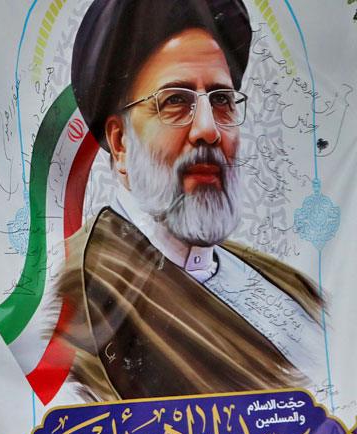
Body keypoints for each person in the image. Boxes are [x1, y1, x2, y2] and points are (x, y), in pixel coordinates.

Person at [54, 0, 324, 402]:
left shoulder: (292, 294)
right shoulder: (78, 299)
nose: (207, 130)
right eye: (175, 101)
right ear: (121, 143)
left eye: (221, 100)